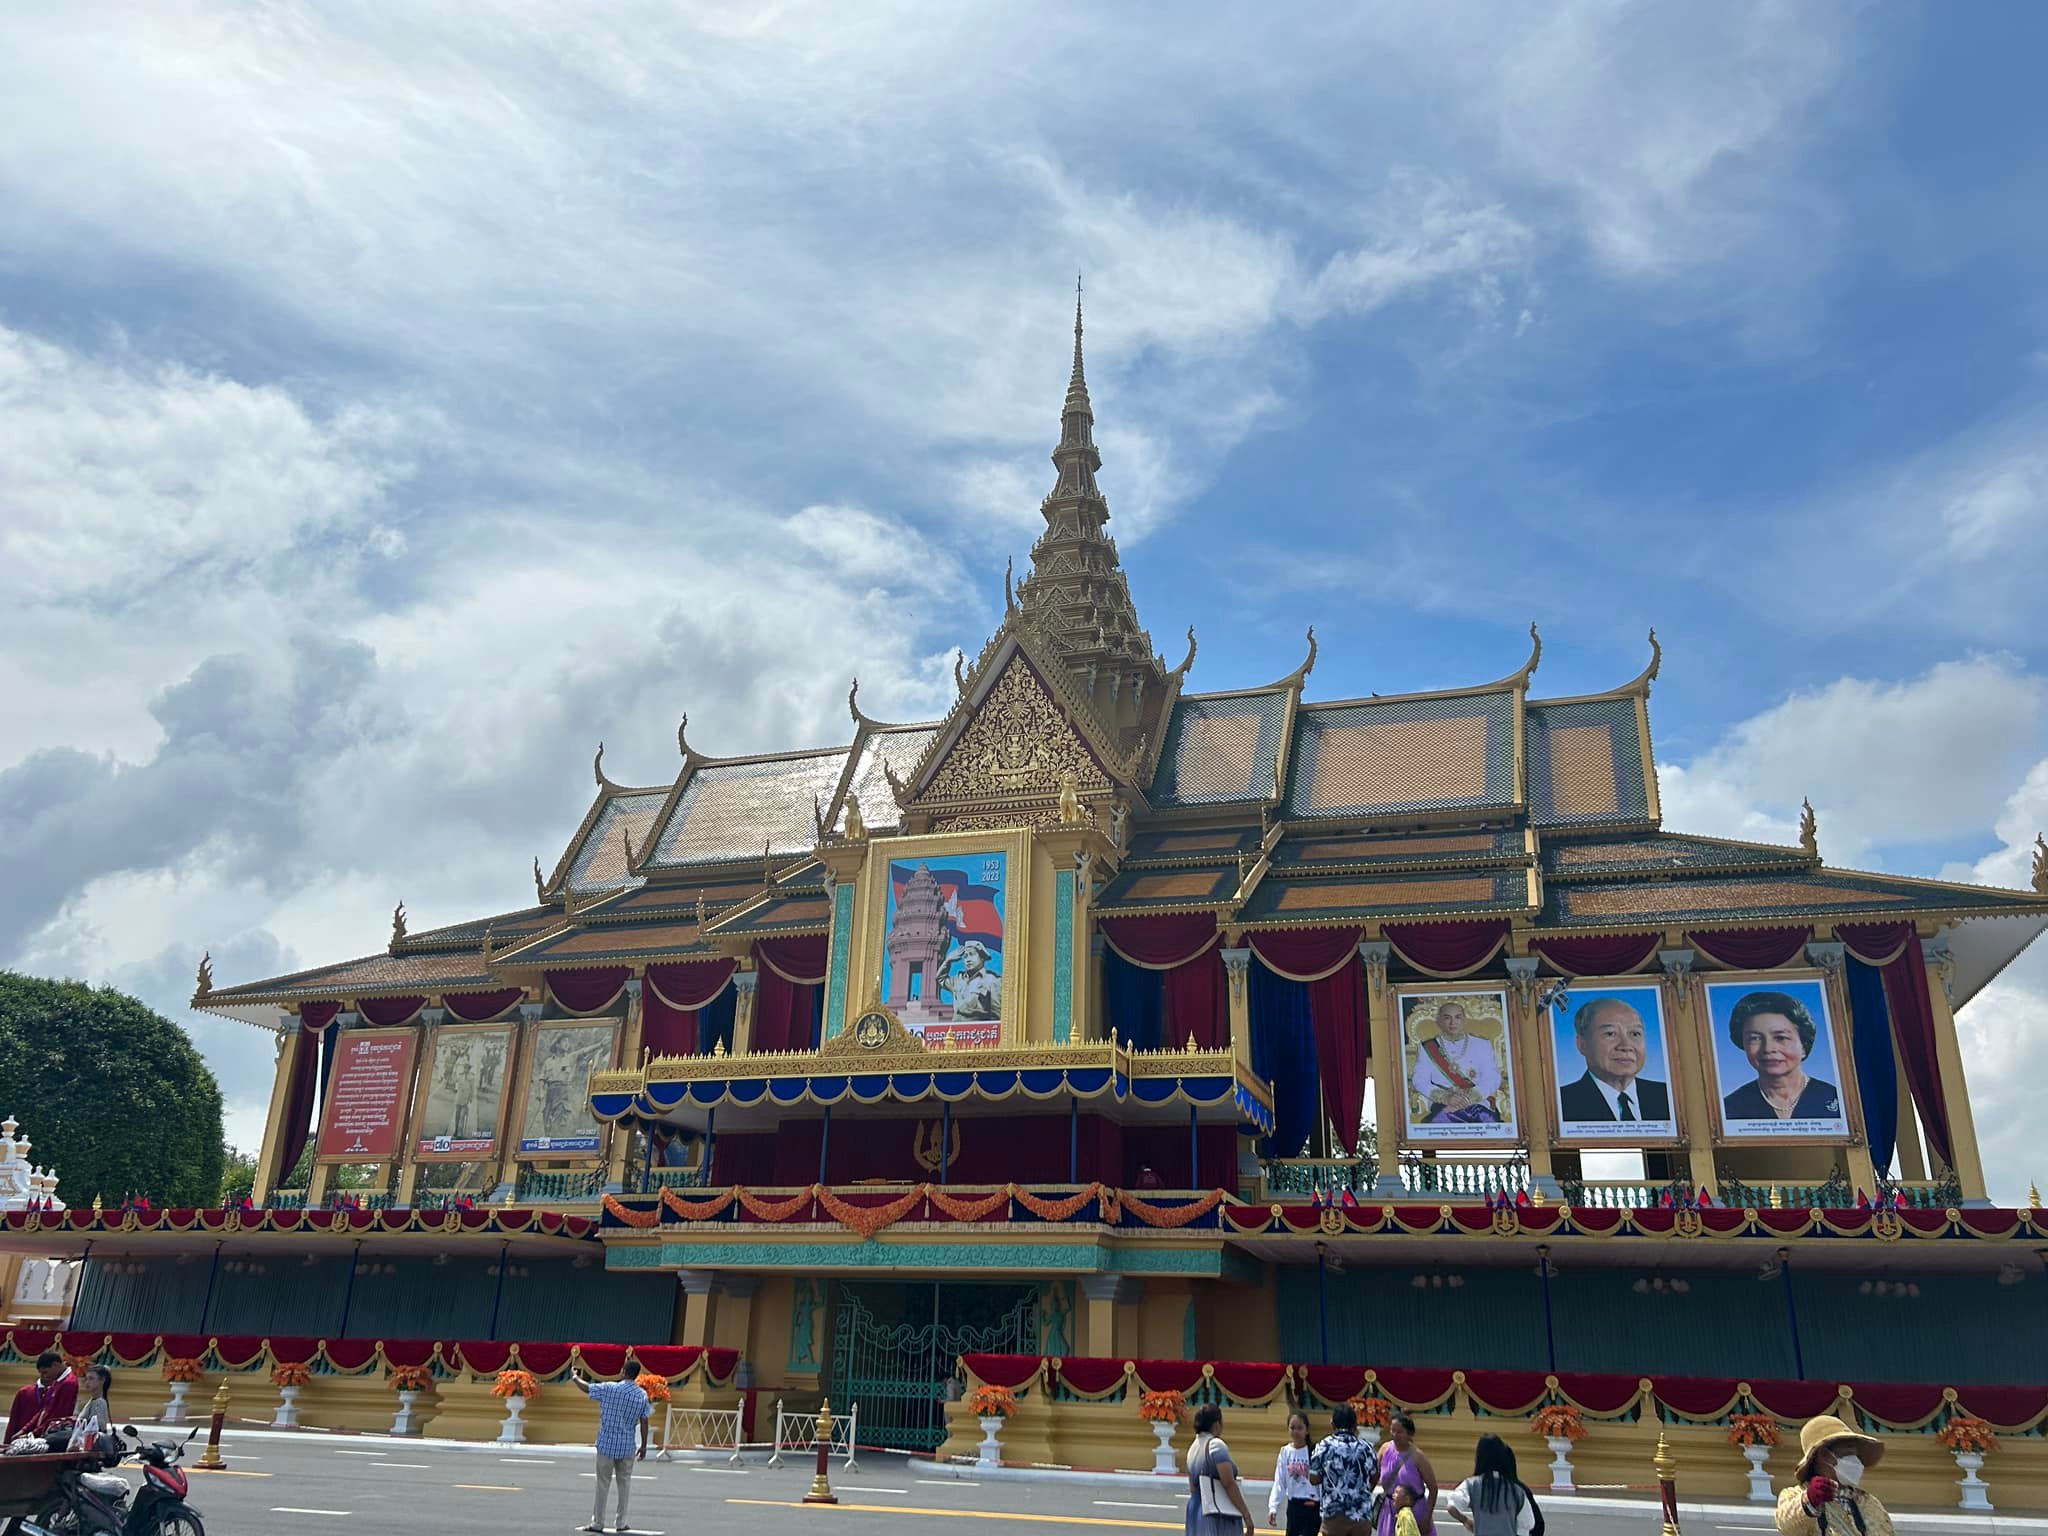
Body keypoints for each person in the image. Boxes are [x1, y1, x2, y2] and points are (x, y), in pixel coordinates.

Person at [1722, 992, 1840, 1124]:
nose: (1768, 1048)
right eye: (1755, 1038)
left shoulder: (1837, 1100)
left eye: (1781, 1037)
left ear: (1804, 1045)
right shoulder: (1730, 1108)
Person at [1556, 997, 1670, 1125]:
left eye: (1635, 1034)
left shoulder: (1667, 1096)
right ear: (1582, 1044)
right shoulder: (1560, 1103)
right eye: (1610, 1034)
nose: (1626, 1046)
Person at [1774, 1414, 1893, 1536]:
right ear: (1824, 1455)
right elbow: (1786, 1525)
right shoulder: (1794, 1495)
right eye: (1848, 1452)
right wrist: (1809, 1500)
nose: (1855, 1461)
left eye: (1856, 1455)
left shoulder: (1868, 1502)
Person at [571, 1360, 650, 1533]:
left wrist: (575, 1377)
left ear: (623, 1372)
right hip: (627, 1445)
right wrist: (644, 1445)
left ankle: (598, 1522)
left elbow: (587, 1388)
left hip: (606, 1444)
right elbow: (644, 1421)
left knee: (602, 1484)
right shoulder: (642, 1395)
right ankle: (621, 1522)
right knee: (624, 1485)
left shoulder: (609, 1388)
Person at [1410, 1003, 1503, 1126]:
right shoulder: (1428, 1047)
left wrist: (1469, 1098)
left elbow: (1492, 1078)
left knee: (1487, 1120)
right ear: (1439, 1021)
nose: (1452, 1022)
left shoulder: (1482, 1045)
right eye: (1447, 1017)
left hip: (1477, 1103)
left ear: (1464, 1020)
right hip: (1443, 1105)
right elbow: (1420, 1080)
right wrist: (1445, 1097)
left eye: (1457, 1017)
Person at [1186, 1402, 1259, 1535]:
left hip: (1196, 1509)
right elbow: (1228, 1483)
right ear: (1216, 1424)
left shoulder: (1193, 1447)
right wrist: (1246, 1516)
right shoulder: (1216, 1445)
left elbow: (1192, 1487)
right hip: (1216, 1513)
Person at [1444, 1434, 1536, 1536]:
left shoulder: (1471, 1485)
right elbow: (1527, 1524)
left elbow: (1452, 1506)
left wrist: (1465, 1520)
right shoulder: (1517, 1491)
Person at [1308, 1402, 1377, 1536]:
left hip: (1334, 1514)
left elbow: (1313, 1479)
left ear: (1332, 1424)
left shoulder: (1324, 1446)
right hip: (1361, 1514)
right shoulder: (1366, 1447)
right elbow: (1374, 1476)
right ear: (1355, 1425)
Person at [1375, 1413, 1437, 1536]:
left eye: (1400, 1432)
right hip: (1389, 1511)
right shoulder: (1384, 1449)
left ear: (1409, 1434)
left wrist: (1427, 1517)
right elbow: (1374, 1475)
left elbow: (1433, 1488)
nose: (1395, 1435)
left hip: (1414, 1512)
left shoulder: (1418, 1457)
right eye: (1393, 1431)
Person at [6, 1351, 79, 1444]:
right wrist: (24, 1430)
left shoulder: (68, 1383)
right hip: (43, 1432)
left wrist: (33, 1433)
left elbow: (57, 1416)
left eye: (45, 1372)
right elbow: (44, 1410)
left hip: (54, 1436)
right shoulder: (57, 1381)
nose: (45, 1376)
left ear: (56, 1365)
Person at [1267, 1410, 1318, 1536]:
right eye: (1292, 1428)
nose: (1296, 1432)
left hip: (1311, 1504)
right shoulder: (1285, 1452)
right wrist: (1273, 1507)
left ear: (1307, 1430)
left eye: (1299, 1428)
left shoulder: (1314, 1452)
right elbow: (1280, 1481)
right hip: (1294, 1505)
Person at [66, 1365, 114, 1452]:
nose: (87, 1382)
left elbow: (98, 1429)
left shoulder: (99, 1403)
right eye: (86, 1379)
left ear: (102, 1380)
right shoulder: (92, 1401)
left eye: (91, 1379)